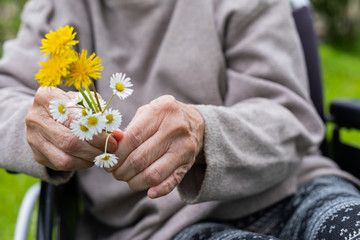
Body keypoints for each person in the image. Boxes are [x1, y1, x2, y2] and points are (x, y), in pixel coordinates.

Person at [1, 0, 360, 239]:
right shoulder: (60, 8)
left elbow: (289, 117)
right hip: (160, 228)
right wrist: (36, 126)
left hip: (294, 187)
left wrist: (204, 133)